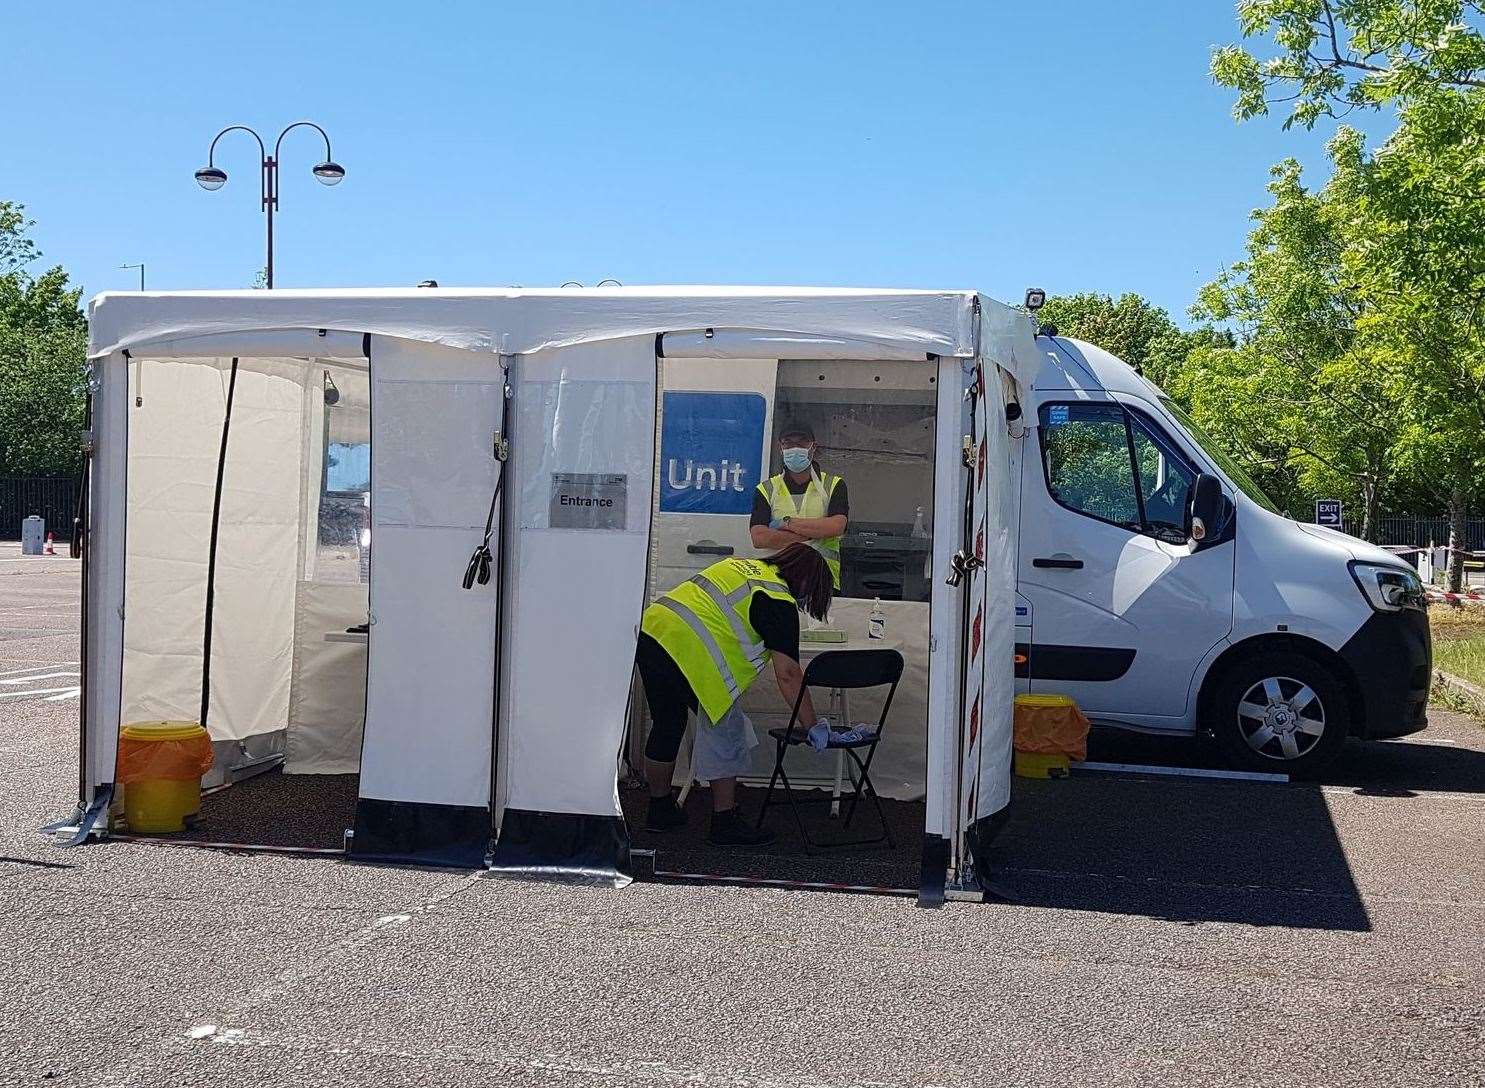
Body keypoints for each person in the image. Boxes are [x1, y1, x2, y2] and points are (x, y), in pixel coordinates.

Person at [636, 544, 836, 845]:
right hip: (690, 652)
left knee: (667, 722)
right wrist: (812, 726)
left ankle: (660, 809)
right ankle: (725, 821)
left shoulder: (740, 567)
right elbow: (789, 675)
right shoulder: (778, 599)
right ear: (807, 582)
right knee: (727, 730)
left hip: (653, 630)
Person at [750, 422, 848, 590]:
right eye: (788, 442)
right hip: (778, 582)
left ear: (813, 447)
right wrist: (816, 535)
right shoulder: (766, 489)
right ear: (780, 448)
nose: (795, 448)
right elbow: (760, 538)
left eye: (802, 442)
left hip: (820, 582)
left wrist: (785, 523)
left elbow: (836, 526)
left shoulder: (834, 485)